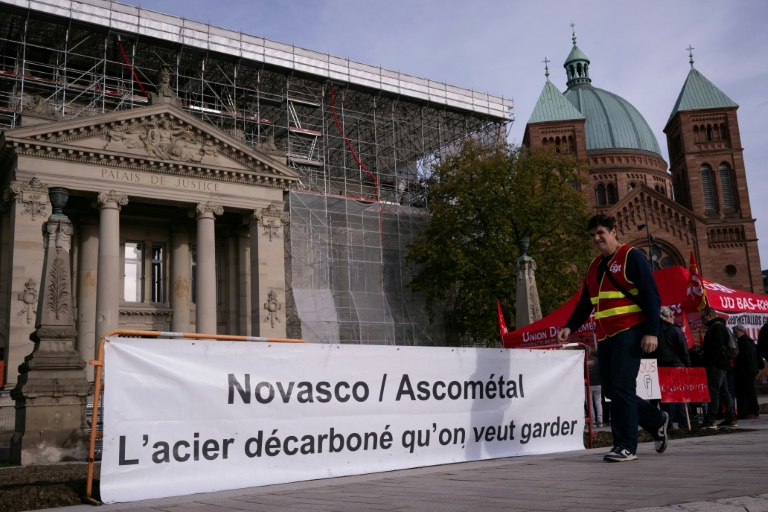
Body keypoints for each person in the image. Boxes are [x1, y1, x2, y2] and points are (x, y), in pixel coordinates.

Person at [557, 214, 668, 462]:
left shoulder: (632, 256)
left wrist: (651, 331)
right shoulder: (593, 267)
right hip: (605, 335)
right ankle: (656, 419)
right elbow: (585, 302)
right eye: (592, 236)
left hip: (631, 331)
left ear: (613, 232)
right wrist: (569, 326)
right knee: (611, 389)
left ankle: (625, 446)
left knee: (621, 387)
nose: (596, 239)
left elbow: (652, 296)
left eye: (600, 233)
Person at [699, 306, 738, 429]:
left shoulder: (716, 328)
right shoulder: (718, 326)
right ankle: (731, 418)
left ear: (710, 315)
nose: (702, 319)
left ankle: (711, 419)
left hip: (716, 364)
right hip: (722, 363)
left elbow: (718, 347)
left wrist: (706, 354)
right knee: (724, 391)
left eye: (703, 316)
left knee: (714, 390)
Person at [659, 306, 691, 429]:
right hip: (677, 366)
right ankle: (683, 422)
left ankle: (668, 423)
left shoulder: (656, 330)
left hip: (662, 368)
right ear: (669, 316)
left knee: (666, 398)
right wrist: (687, 364)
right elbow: (683, 348)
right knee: (681, 396)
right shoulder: (675, 330)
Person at [732, 324, 760, 419]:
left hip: (746, 370)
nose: (734, 334)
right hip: (746, 370)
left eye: (735, 332)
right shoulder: (745, 341)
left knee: (748, 391)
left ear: (741, 331)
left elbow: (748, 357)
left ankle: (752, 411)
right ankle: (744, 411)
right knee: (743, 391)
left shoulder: (744, 342)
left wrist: (744, 368)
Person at [586, 347, 603, 428]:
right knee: (598, 402)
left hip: (588, 385)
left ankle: (592, 421)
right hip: (598, 384)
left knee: (589, 404)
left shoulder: (582, 360)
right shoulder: (597, 360)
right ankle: (600, 421)